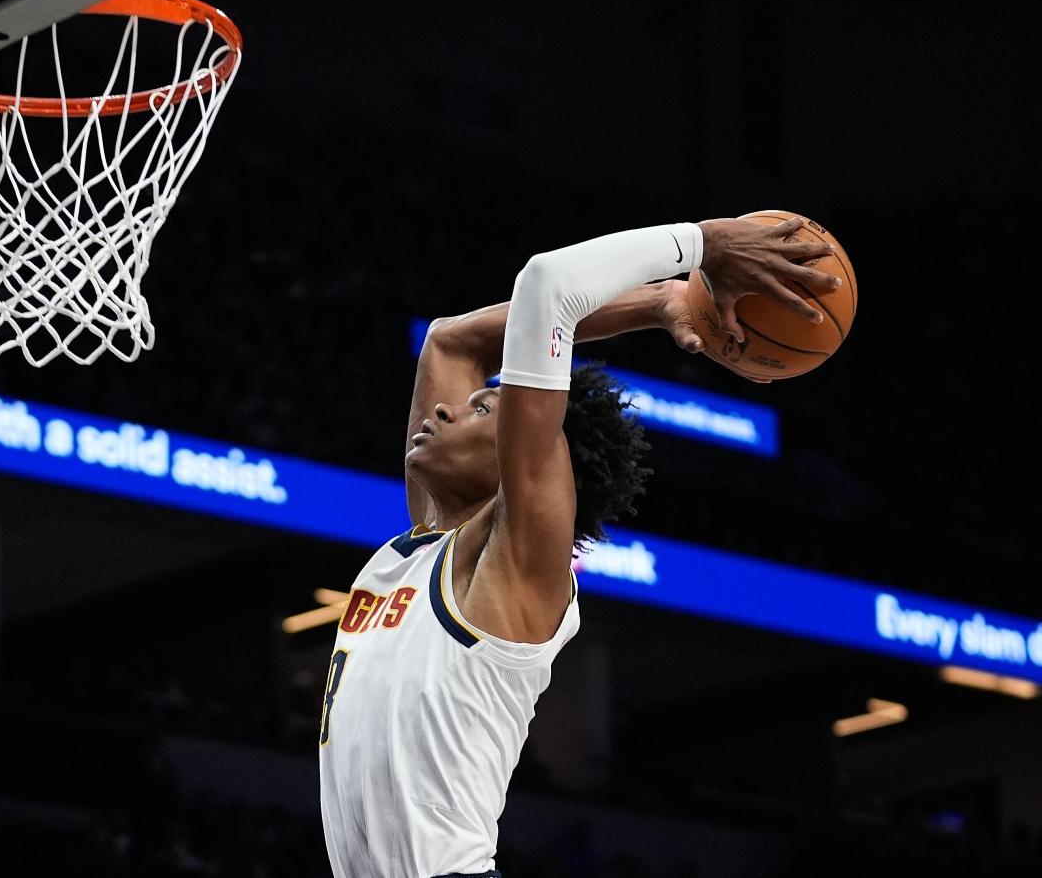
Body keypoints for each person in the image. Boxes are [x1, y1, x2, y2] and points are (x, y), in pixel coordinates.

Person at [318, 217, 842, 877]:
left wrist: (706, 244)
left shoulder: (513, 565)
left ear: (522, 463)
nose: (444, 410)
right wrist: (662, 302)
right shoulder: (425, 546)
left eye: (482, 409)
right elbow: (452, 340)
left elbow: (548, 283)